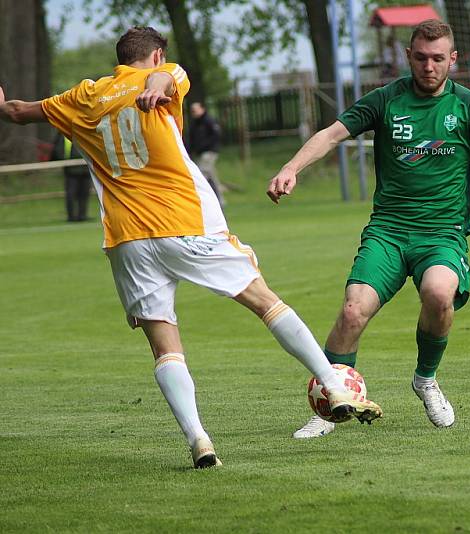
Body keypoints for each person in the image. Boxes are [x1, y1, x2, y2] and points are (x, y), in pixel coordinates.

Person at [0, 26, 381, 468]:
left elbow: (16, 111)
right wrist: (157, 84)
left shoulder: (82, 97)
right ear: (157, 54)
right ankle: (332, 384)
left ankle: (199, 440)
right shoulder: (163, 75)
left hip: (127, 240)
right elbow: (168, 78)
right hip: (184, 222)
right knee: (264, 301)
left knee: (165, 346)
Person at [268, 19, 470, 439]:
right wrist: (291, 167)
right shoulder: (385, 101)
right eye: (421, 57)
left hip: (442, 233)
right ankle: (330, 404)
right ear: (408, 57)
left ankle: (426, 380)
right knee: (352, 310)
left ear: (452, 59)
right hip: (388, 231)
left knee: (439, 294)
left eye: (438, 58)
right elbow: (331, 135)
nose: (429, 66)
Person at [187, 102, 225, 207]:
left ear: (202, 109)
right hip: (200, 153)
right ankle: (219, 200)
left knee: (201, 174)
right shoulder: (194, 123)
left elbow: (216, 135)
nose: (193, 113)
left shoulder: (208, 120)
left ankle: (199, 200)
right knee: (212, 177)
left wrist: (205, 145)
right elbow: (191, 139)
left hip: (209, 151)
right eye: (192, 111)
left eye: (195, 110)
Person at [51, 131, 92, 221]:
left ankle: (82, 215)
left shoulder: (86, 131)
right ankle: (71, 216)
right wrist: (66, 162)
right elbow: (59, 150)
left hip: (85, 169)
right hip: (71, 170)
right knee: (71, 194)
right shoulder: (64, 133)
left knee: (84, 193)